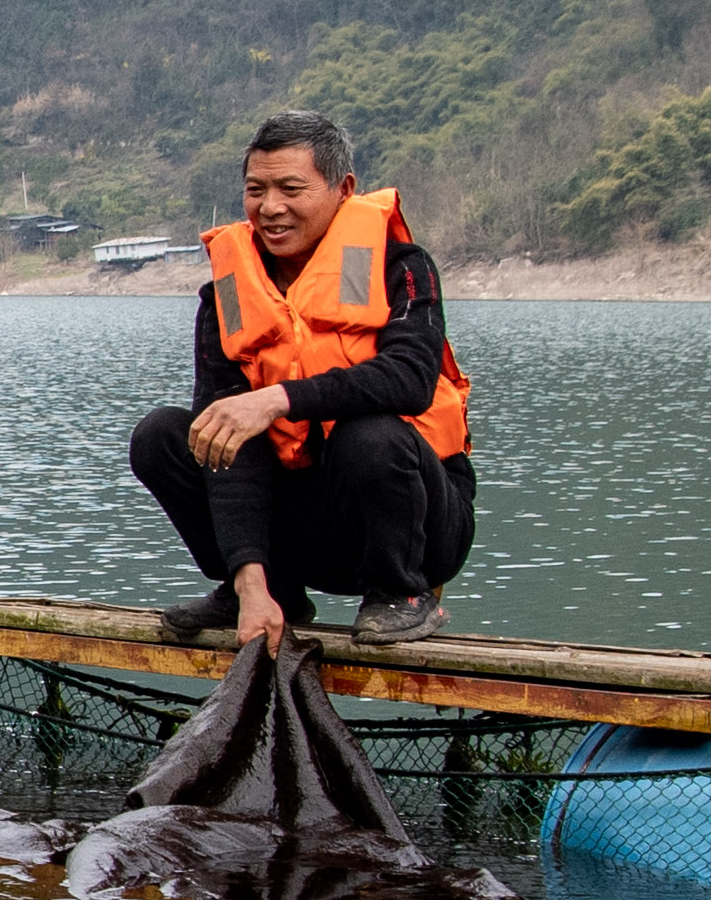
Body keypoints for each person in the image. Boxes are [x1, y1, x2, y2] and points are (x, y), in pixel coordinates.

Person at [126, 112, 474, 648]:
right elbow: (229, 444)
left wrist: (276, 399)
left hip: (414, 523)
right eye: (255, 190)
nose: (270, 208)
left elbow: (409, 380)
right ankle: (271, 591)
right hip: (304, 526)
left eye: (291, 189)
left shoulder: (400, 266)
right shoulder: (228, 293)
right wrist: (250, 579)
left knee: (370, 433)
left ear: (344, 189)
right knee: (168, 435)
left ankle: (401, 594)